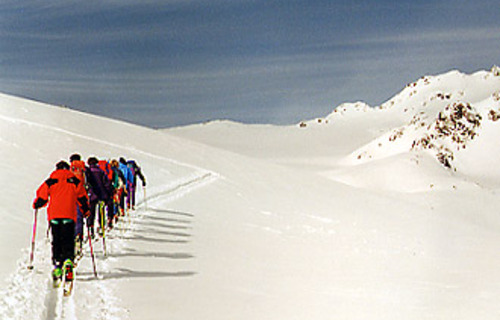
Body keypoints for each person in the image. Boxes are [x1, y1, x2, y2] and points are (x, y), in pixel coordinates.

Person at [32, 160, 89, 285]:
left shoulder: (51, 180)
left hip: (54, 216)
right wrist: (86, 210)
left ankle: (57, 263)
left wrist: (37, 204)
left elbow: (42, 195)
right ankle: (68, 261)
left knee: (57, 239)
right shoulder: (74, 180)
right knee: (68, 238)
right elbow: (82, 197)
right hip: (69, 214)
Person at [86, 157, 112, 237]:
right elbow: (107, 184)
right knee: (101, 212)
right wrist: (108, 195)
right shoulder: (101, 172)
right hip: (102, 195)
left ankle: (91, 227)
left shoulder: (88, 172)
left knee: (91, 212)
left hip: (92, 195)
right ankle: (101, 226)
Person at [69, 153, 88, 258]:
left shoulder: (68, 170)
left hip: (69, 198)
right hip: (81, 196)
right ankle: (79, 236)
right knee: (79, 217)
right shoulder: (84, 169)